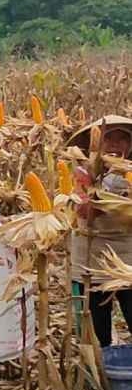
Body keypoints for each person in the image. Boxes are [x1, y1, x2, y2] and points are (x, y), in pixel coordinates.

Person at [69, 115, 132, 347]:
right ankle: (99, 376)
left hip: (127, 260)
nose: (115, 144)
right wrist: (109, 198)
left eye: (122, 139)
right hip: (90, 261)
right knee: (97, 333)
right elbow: (84, 212)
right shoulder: (83, 173)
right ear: (97, 144)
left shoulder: (130, 172)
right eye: (109, 138)